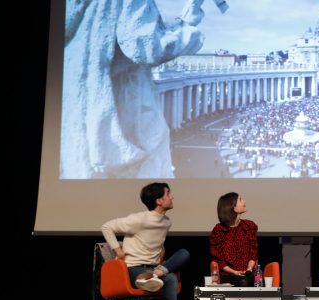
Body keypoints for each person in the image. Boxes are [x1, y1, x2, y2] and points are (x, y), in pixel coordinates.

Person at [61, 0, 213, 178]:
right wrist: (189, 28)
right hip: (125, 101)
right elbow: (146, 47)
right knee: (147, 171)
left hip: (76, 102)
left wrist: (183, 20)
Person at [101, 182, 189, 300]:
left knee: (184, 253)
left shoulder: (166, 222)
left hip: (153, 268)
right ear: (159, 201)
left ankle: (155, 274)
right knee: (171, 278)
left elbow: (153, 240)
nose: (172, 197)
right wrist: (118, 251)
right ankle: (152, 275)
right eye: (168, 193)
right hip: (133, 269)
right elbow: (106, 227)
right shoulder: (139, 219)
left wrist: (160, 251)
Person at [209, 192, 258, 286]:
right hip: (228, 274)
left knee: (254, 280)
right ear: (232, 207)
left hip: (247, 273)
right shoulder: (219, 230)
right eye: (240, 200)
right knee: (243, 282)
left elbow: (253, 253)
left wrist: (249, 269)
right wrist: (234, 272)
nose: (244, 201)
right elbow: (219, 259)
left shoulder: (249, 226)